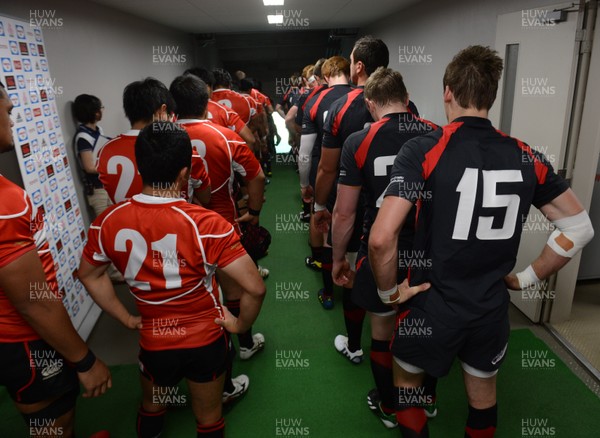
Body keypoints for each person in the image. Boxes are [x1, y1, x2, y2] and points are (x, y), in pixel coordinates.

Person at [368, 45, 594, 437]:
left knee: (408, 387)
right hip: (489, 308)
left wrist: (388, 295)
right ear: (491, 96)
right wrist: (526, 278)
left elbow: (381, 239)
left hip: (430, 301)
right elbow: (579, 227)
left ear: (447, 92)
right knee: (483, 397)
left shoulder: (423, 148)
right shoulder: (527, 156)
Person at [78, 122, 266, 438]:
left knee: (152, 408)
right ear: (183, 174)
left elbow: (89, 275)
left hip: (154, 340)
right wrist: (240, 325)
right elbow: (255, 287)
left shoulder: (107, 221)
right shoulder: (208, 223)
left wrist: (125, 317)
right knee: (208, 419)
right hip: (204, 339)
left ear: (140, 167)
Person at [0, 81, 111, 438]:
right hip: (24, 339)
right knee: (54, 418)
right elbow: (34, 301)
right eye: (7, 112)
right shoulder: (5, 203)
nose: (12, 121)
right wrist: (85, 359)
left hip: (14, 338)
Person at [331, 67, 438, 428]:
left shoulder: (358, 141)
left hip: (380, 247)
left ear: (370, 103)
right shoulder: (439, 135)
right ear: (407, 101)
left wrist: (337, 259)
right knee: (425, 328)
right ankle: (427, 398)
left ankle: (391, 407)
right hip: (428, 252)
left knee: (382, 329)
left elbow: (344, 213)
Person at [169, 74, 267, 400]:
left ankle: (175, 376)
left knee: (185, 298)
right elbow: (257, 175)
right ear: (206, 101)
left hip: (172, 231)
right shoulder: (223, 135)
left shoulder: (160, 139)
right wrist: (253, 211)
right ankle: (245, 344)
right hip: (219, 224)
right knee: (231, 290)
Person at [97, 78, 210, 206]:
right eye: (169, 115)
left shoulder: (104, 152)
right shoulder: (183, 150)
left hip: (124, 223)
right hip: (173, 222)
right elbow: (205, 198)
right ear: (161, 111)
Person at [298, 56, 353, 311]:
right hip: (360, 176)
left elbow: (305, 152)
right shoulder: (362, 96)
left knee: (322, 217)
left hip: (328, 169)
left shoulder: (315, 99)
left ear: (326, 74)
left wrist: (304, 183)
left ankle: (327, 286)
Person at [183, 67, 257, 153]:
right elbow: (250, 139)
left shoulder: (176, 114)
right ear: (207, 87)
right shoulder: (227, 110)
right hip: (226, 154)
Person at [72, 94, 111, 217]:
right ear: (95, 112)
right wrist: (109, 168)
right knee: (106, 228)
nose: (102, 110)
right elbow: (89, 167)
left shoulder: (98, 130)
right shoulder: (83, 137)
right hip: (97, 190)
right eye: (100, 108)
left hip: (107, 185)